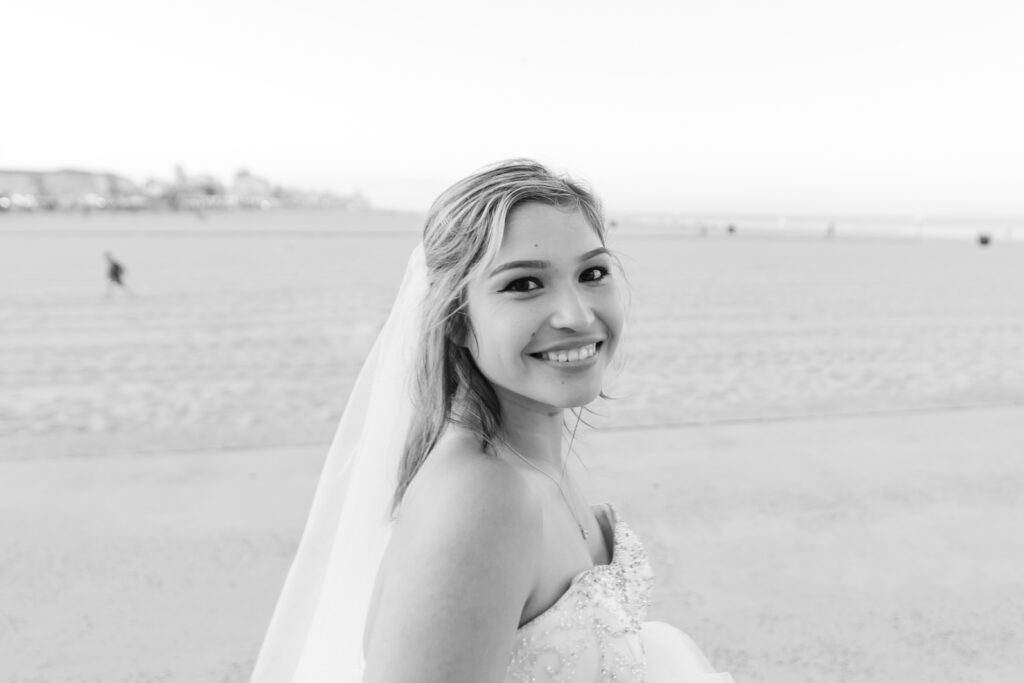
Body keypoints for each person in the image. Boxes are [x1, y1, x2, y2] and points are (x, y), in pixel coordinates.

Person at [251, 160, 735, 682]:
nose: (575, 315)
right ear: (457, 318)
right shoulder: (483, 499)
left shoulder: (529, 456)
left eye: (592, 273)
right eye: (525, 284)